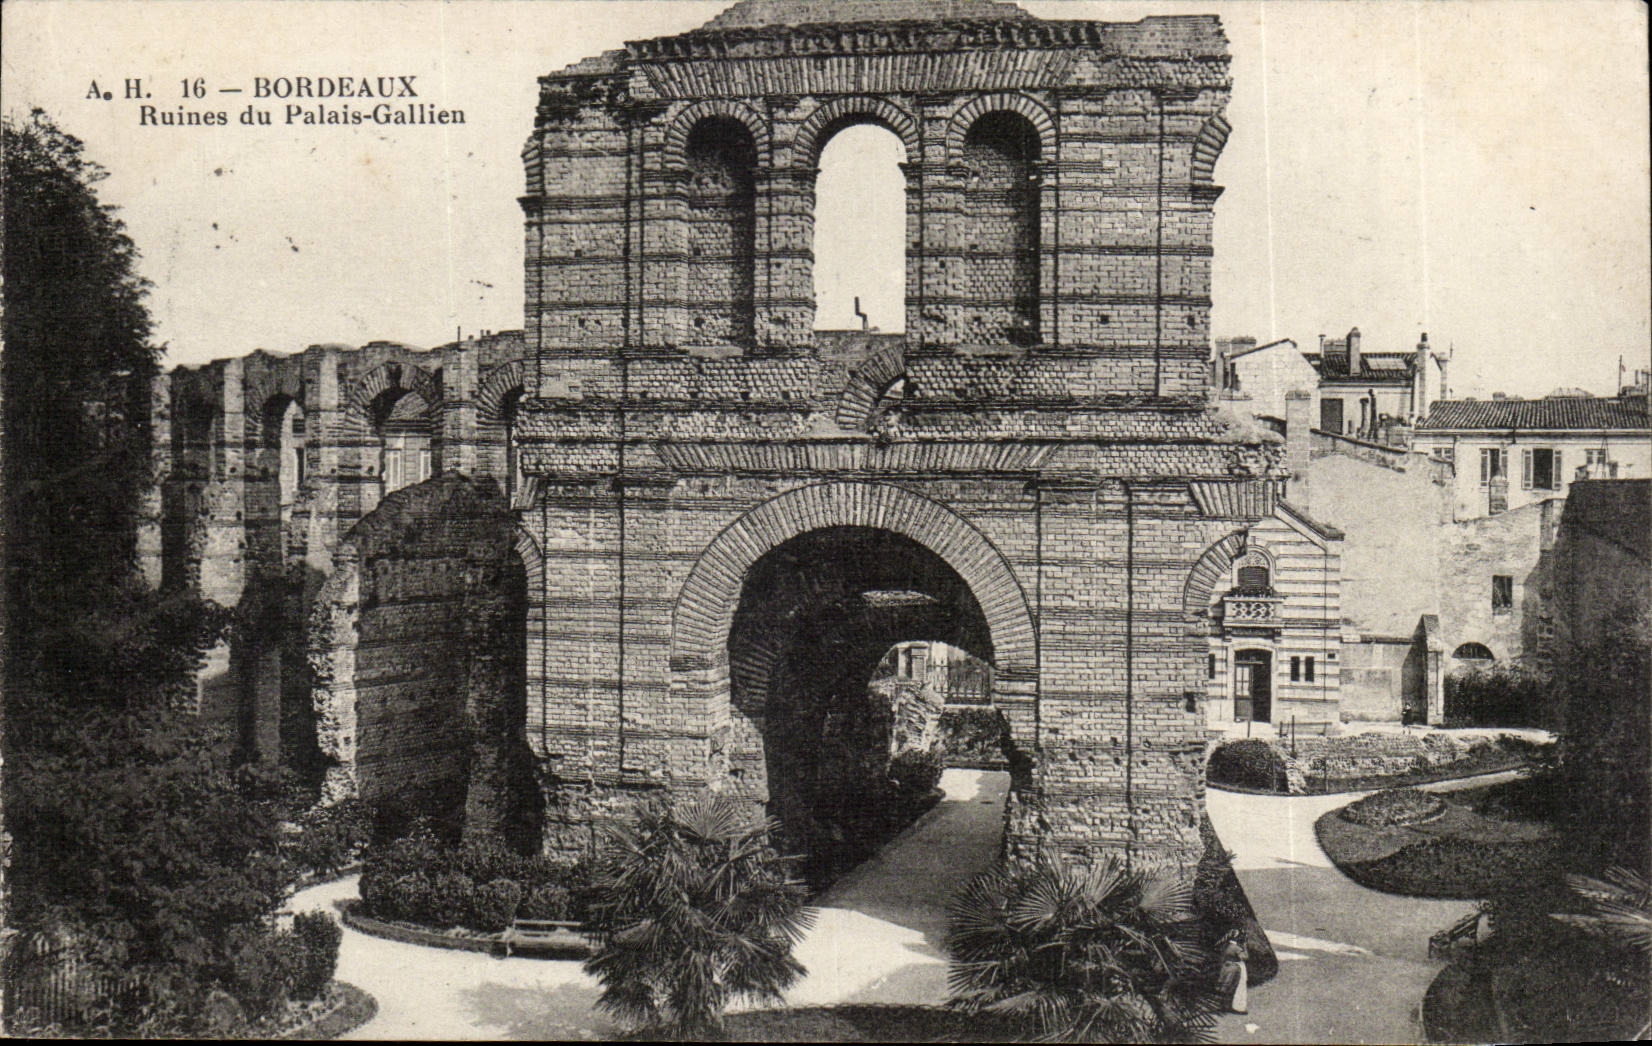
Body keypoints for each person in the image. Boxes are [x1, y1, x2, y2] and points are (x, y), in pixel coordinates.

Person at [1218, 929, 1249, 1014]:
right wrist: (1245, 947)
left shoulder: (1226, 946)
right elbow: (1245, 957)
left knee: (1225, 986)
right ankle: (1232, 1006)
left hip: (1226, 967)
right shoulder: (1236, 948)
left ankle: (1223, 1006)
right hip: (1234, 969)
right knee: (1233, 987)